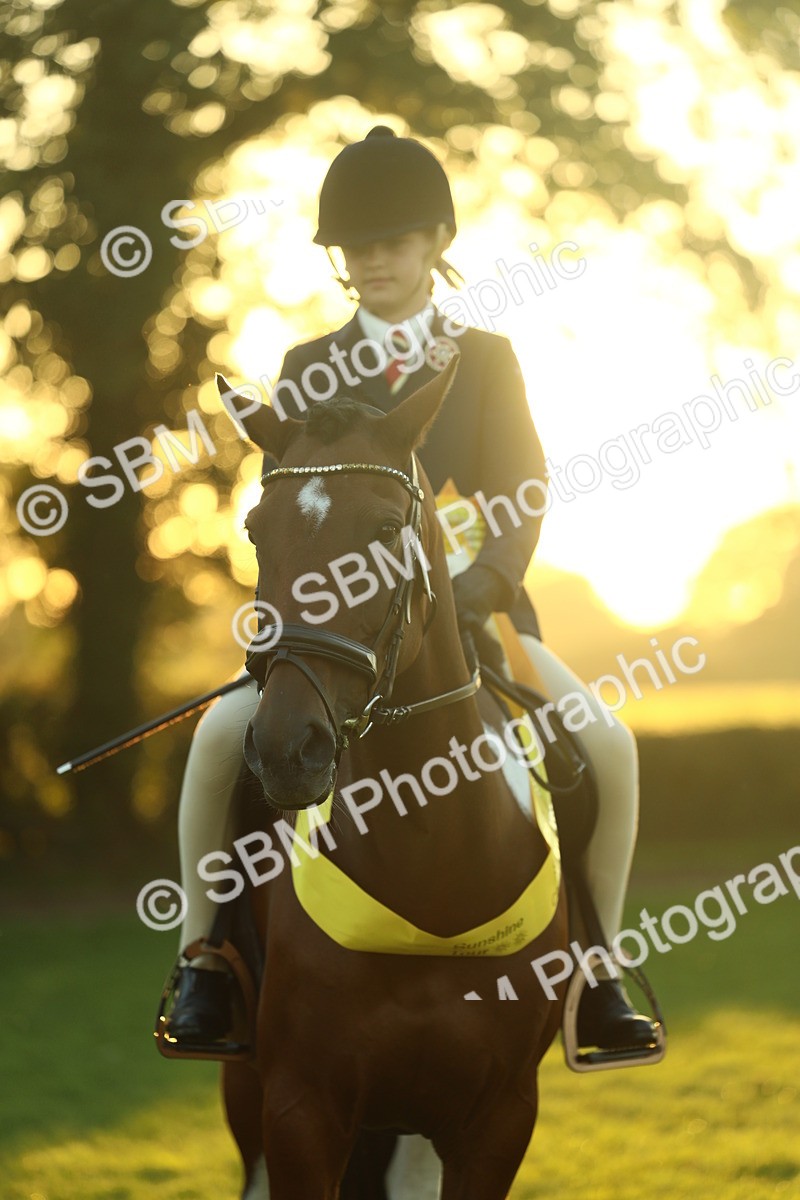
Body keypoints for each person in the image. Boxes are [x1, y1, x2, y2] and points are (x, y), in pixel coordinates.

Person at [168, 127, 658, 1055]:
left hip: (470, 618)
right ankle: (208, 956)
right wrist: (285, 624)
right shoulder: (311, 366)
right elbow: (293, 505)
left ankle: (596, 970)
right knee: (220, 739)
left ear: (437, 240)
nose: (373, 261)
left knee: (610, 744)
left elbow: (525, 483)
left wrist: (488, 580)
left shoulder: (486, 359)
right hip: (342, 624)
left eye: (392, 243)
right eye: (356, 248)